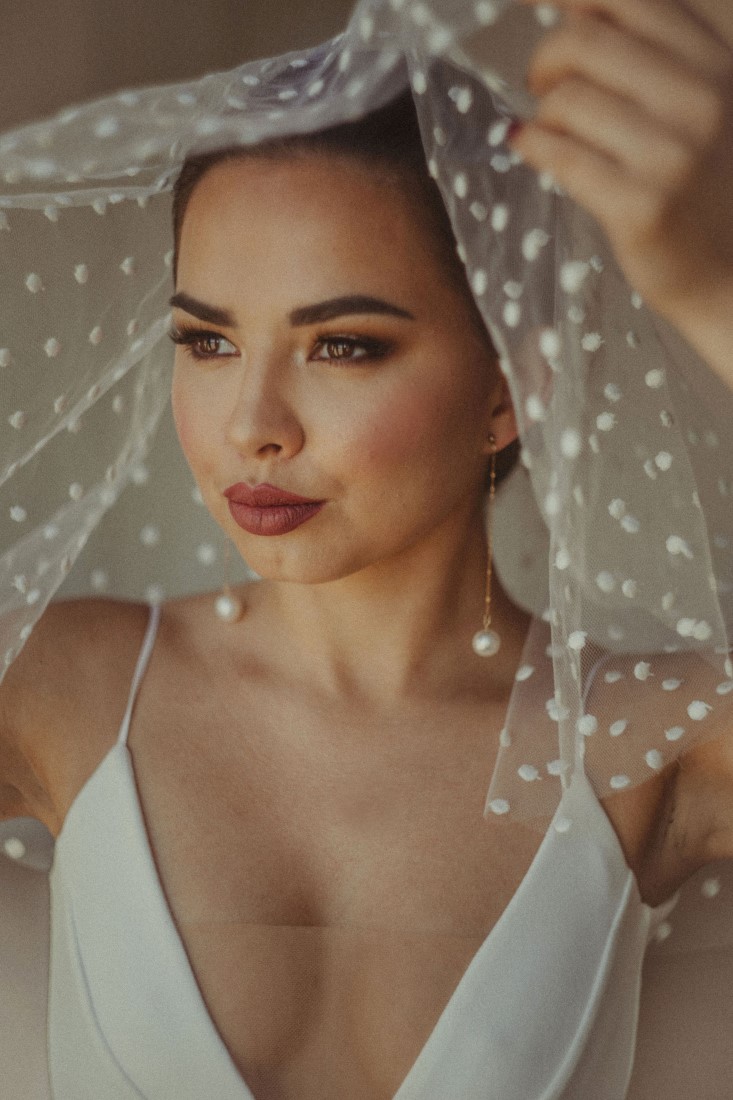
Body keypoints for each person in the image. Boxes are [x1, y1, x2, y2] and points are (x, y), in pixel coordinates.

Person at [0, 1, 732, 1097]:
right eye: (206, 339)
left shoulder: (645, 741)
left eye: (342, 344)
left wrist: (713, 287)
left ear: (509, 389)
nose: (253, 420)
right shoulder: (64, 685)